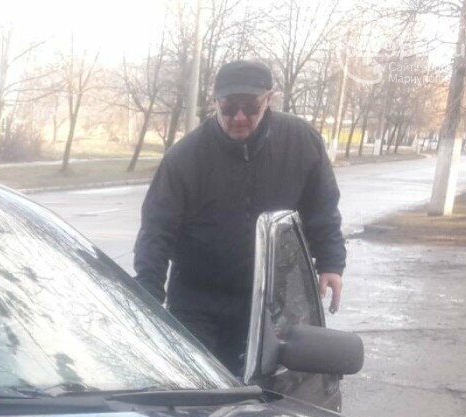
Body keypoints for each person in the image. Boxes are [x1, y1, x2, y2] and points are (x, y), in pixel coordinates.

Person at [133, 59, 346, 376]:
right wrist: (148, 298)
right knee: (194, 386)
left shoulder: (300, 143)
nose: (240, 117)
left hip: (267, 300)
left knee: (256, 395)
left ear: (268, 99)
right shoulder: (186, 157)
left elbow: (322, 207)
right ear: (215, 101)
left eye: (251, 107)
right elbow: (156, 231)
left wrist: (330, 262)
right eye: (229, 107)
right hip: (196, 300)